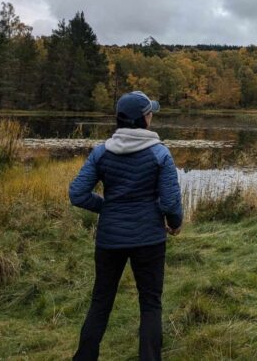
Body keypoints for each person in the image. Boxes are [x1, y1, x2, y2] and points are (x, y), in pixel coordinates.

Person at [69, 91, 183, 360]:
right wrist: (175, 224)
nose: (151, 115)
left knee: (101, 301)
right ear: (143, 119)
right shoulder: (160, 153)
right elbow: (170, 203)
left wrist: (107, 208)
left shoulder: (101, 153)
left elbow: (78, 194)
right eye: (149, 112)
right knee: (150, 303)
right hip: (149, 240)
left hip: (110, 238)